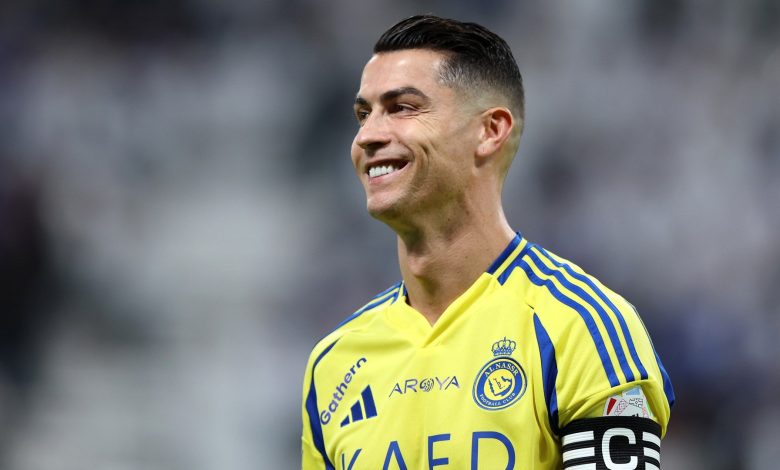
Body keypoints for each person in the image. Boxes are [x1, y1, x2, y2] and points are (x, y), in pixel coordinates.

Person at [301, 14, 673, 470]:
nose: (368, 136)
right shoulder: (334, 362)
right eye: (364, 114)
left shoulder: (581, 328)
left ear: (490, 130)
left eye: (402, 108)